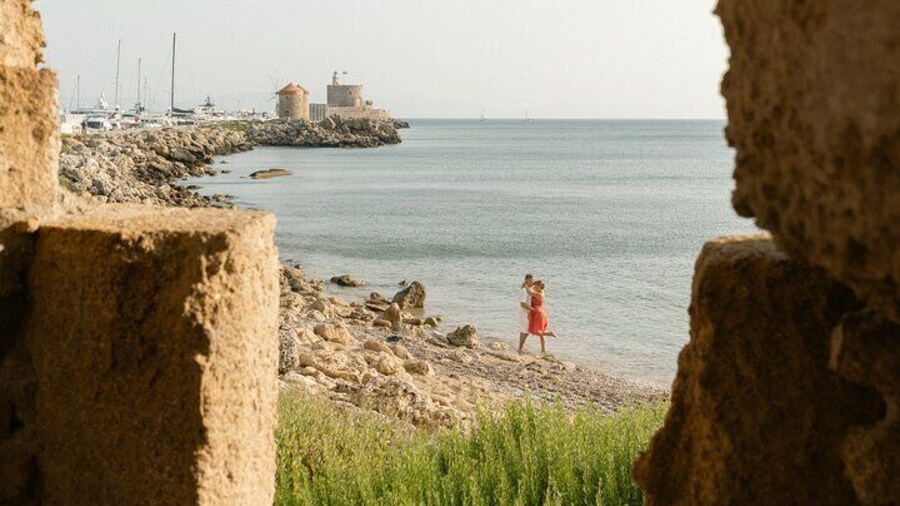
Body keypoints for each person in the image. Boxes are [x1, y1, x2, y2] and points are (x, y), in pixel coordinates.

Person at [522, 279, 558, 354]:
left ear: (539, 286)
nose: (534, 287)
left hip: (538, 314)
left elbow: (529, 292)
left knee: (536, 332)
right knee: (541, 333)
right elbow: (531, 289)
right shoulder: (539, 291)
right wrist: (530, 284)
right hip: (540, 313)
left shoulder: (540, 294)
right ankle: (543, 351)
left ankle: (550, 333)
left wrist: (525, 285)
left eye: (536, 286)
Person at [517, 274, 535, 353]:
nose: (533, 282)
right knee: (526, 331)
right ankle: (520, 349)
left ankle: (521, 348)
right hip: (524, 312)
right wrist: (532, 309)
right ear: (527, 280)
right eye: (531, 280)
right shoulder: (524, 291)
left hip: (526, 312)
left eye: (533, 280)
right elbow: (522, 303)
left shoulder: (527, 289)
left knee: (524, 330)